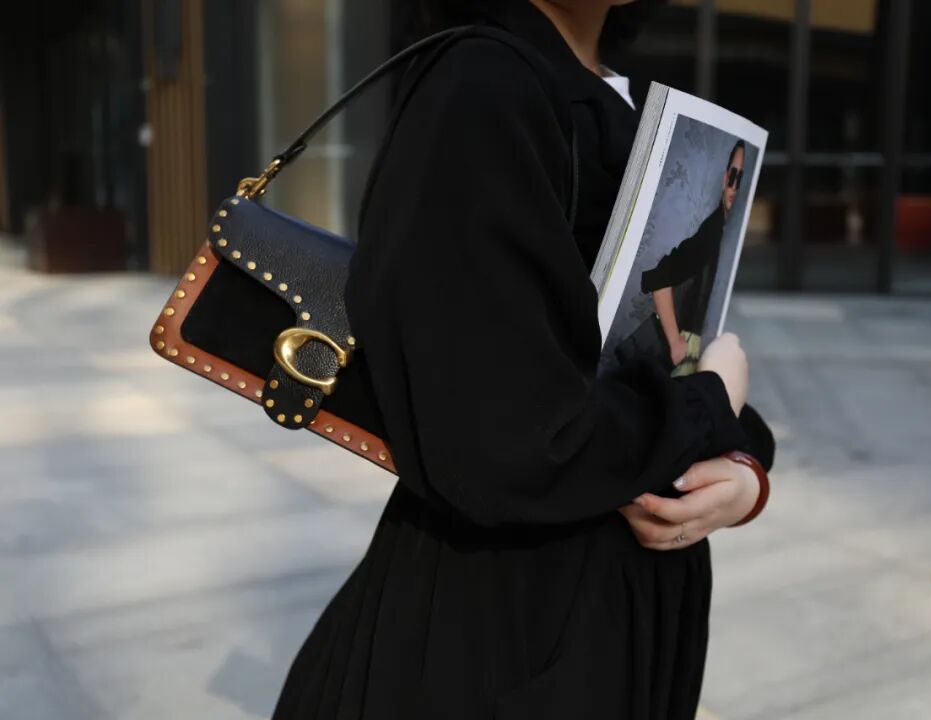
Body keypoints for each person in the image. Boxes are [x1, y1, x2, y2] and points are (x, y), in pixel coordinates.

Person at [271, 1, 775, 718]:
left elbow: (618, 368)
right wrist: (706, 407)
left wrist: (741, 468)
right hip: (509, 627)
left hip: (598, 607)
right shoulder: (483, 85)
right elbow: (507, 441)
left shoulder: (608, 89)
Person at [642, 140, 746, 374]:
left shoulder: (719, 227)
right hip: (683, 346)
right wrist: (674, 341)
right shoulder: (711, 230)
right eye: (732, 175)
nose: (734, 186)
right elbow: (658, 277)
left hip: (693, 344)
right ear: (724, 178)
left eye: (740, 179)